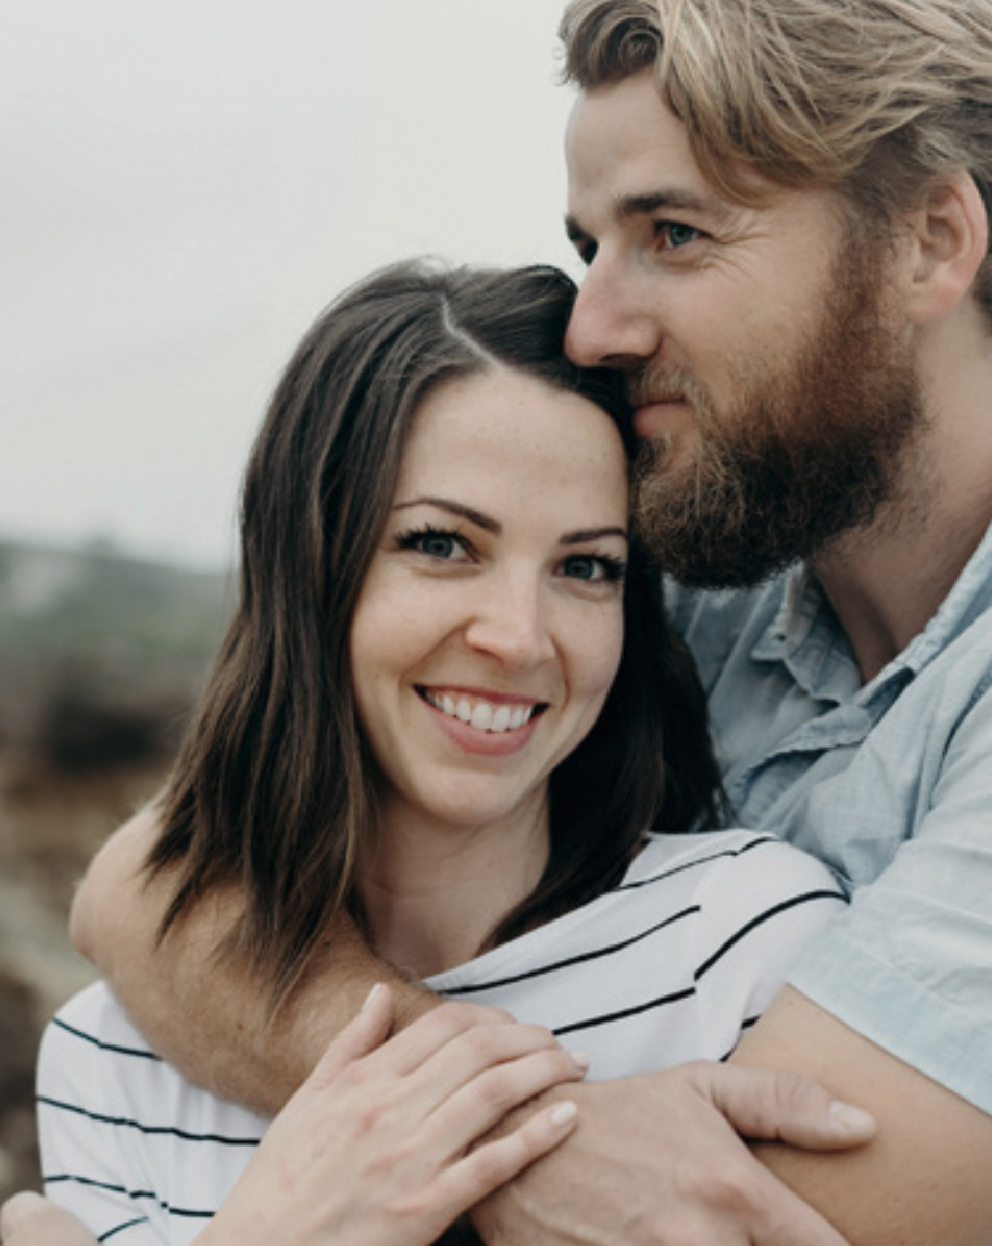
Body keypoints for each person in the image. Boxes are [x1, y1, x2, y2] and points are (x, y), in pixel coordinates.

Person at [10, 0, 990, 1241]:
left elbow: (737, 1221)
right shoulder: (692, 560)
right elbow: (144, 891)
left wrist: (412, 1169)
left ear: (929, 240)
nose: (593, 326)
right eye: (592, 247)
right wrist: (506, 1136)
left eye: (674, 234)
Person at [22, 259, 859, 1246]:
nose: (517, 635)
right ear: (309, 563)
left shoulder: (746, 951)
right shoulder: (111, 1053)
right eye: (442, 544)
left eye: (584, 567)